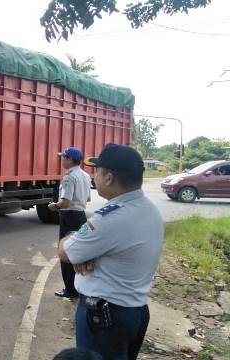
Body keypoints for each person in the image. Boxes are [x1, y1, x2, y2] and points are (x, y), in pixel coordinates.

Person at [57, 143, 164, 360]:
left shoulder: (110, 219)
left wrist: (73, 241)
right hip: (136, 311)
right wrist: (86, 252)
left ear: (109, 178)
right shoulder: (149, 210)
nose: (94, 176)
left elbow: (65, 253)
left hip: (105, 318)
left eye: (97, 171)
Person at [48, 147, 92, 299]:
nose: (62, 160)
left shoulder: (69, 177)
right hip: (80, 215)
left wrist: (54, 206)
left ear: (70, 159)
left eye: (64, 157)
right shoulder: (86, 175)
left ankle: (70, 290)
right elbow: (87, 199)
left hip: (69, 216)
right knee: (79, 252)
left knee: (66, 252)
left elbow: (65, 202)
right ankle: (79, 287)